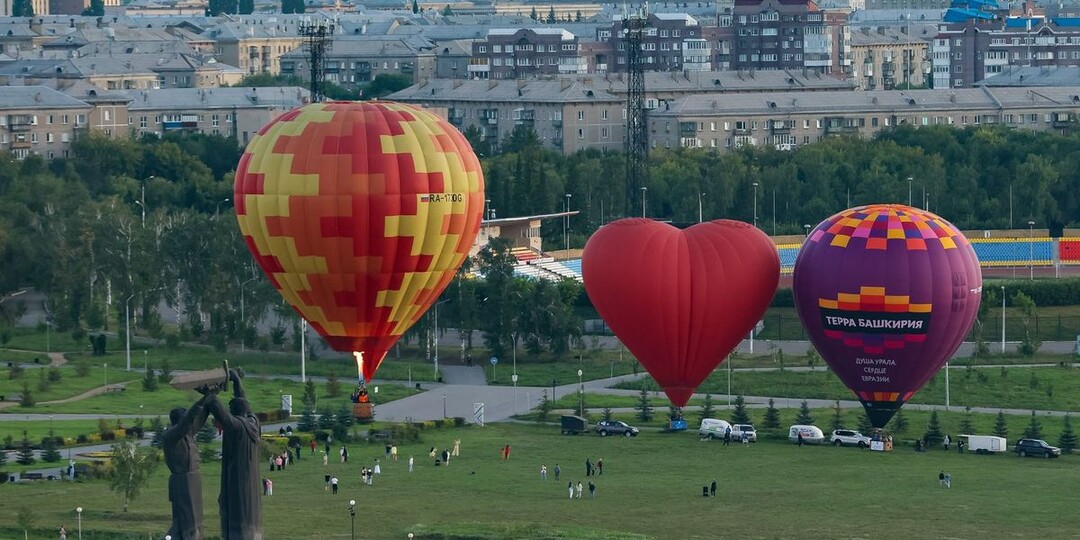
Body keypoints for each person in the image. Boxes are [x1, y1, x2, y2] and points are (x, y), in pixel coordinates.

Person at [207, 369, 262, 540]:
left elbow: (220, 413)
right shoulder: (253, 422)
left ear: (235, 412)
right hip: (249, 476)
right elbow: (244, 403)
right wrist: (237, 382)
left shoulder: (237, 426)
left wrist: (211, 394)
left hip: (238, 476)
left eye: (231, 410)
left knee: (237, 507)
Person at [163, 384, 217, 540]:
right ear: (178, 421)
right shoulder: (172, 436)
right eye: (186, 419)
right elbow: (188, 421)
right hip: (182, 480)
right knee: (188, 520)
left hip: (192, 479)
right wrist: (202, 401)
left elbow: (199, 418)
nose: (190, 423)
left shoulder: (187, 433)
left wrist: (211, 396)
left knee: (194, 519)